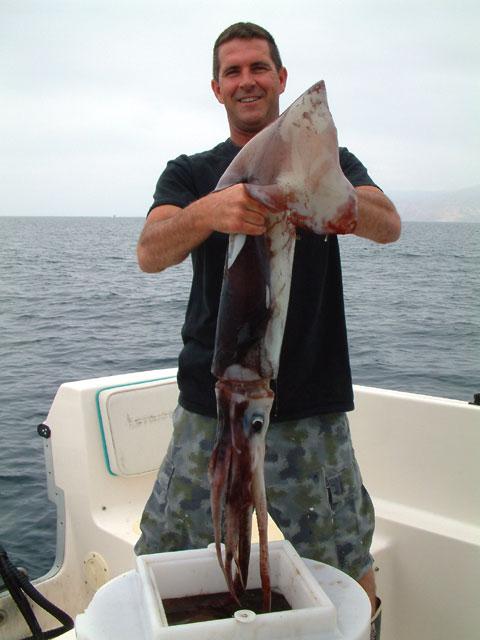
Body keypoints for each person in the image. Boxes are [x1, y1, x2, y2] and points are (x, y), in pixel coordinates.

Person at [135, 22, 400, 637]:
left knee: (344, 553)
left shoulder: (332, 161)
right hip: (211, 402)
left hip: (310, 400)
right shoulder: (190, 171)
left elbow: (389, 224)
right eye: (233, 71)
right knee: (166, 544)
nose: (246, 80)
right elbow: (151, 251)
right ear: (216, 88)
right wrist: (213, 209)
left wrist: (324, 199)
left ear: (281, 79)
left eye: (258, 67)